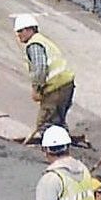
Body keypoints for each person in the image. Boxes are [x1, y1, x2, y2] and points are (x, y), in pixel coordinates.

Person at [14, 10, 75, 138]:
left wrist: (36, 89)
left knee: (45, 123)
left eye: (20, 31)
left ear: (29, 30)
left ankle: (54, 151)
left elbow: (40, 68)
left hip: (56, 88)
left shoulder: (34, 45)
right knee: (57, 121)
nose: (18, 35)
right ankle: (64, 145)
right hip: (65, 85)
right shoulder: (42, 40)